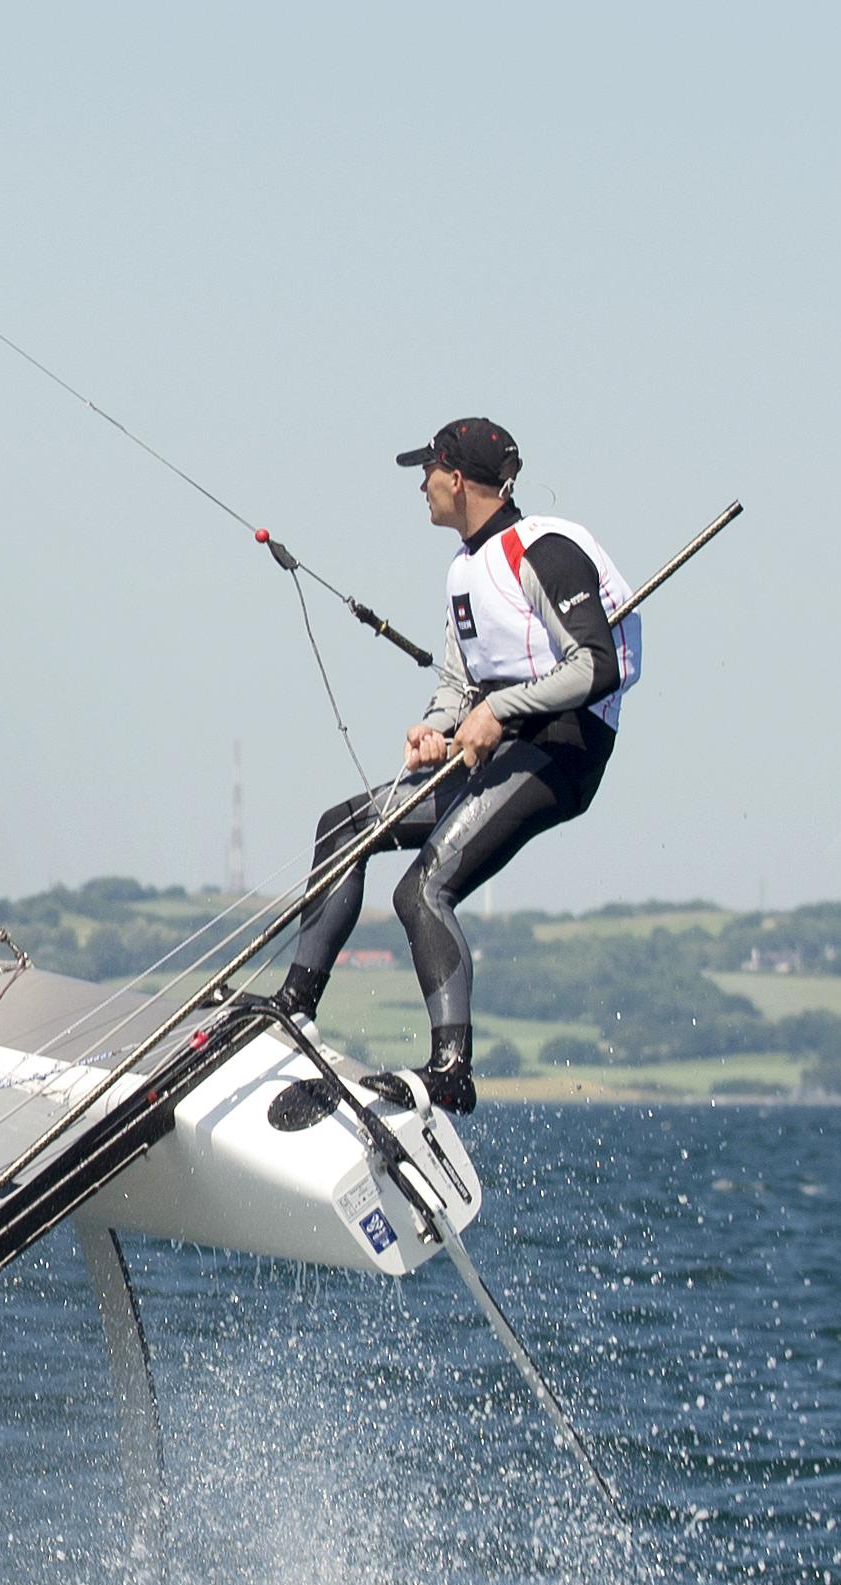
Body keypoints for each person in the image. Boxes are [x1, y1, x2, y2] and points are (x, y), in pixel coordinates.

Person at [246, 417, 638, 1112]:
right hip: (499, 744)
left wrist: (499, 711)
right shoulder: (464, 568)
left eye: (427, 471)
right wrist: (436, 727)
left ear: (457, 479)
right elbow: (460, 682)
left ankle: (451, 1070)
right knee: (345, 826)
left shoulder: (542, 550)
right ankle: (296, 1008)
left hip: (562, 747)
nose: (420, 486)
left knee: (422, 890)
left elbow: (597, 667)